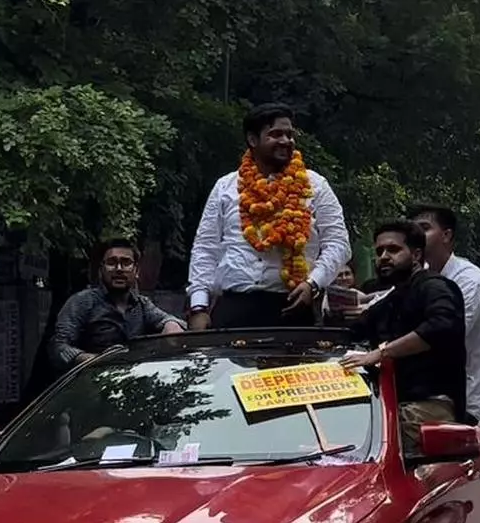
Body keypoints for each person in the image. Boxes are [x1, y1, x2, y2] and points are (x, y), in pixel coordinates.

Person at [186, 104, 351, 330]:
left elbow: (339, 244)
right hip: (234, 307)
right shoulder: (225, 187)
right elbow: (205, 248)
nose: (285, 140)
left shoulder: (315, 185)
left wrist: (313, 283)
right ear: (252, 140)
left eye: (289, 134)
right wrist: (199, 307)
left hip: (293, 305)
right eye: (275, 134)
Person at [342, 221, 467, 450]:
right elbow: (351, 333)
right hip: (388, 407)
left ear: (416, 254)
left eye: (393, 250)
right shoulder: (392, 299)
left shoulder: (435, 287)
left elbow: (441, 327)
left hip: (428, 408)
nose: (384, 257)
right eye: (379, 251)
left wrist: (381, 353)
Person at [408, 203, 480, 421]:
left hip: (456, 402)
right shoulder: (422, 276)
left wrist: (384, 349)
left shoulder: (470, 281)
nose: (416, 236)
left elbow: (442, 336)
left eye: (424, 228)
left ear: (446, 235)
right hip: (422, 395)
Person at [50, 239, 185, 369]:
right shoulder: (82, 302)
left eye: (126, 263)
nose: (119, 269)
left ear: (136, 271)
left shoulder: (142, 305)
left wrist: (171, 326)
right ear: (101, 269)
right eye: (111, 262)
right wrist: (95, 360)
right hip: (90, 383)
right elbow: (59, 347)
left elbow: (169, 320)